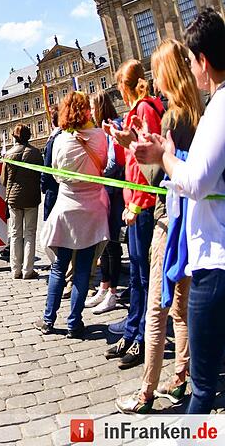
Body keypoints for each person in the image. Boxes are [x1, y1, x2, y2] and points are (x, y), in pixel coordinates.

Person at [133, 8, 225, 415]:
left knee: (203, 390)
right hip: (208, 249)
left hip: (214, 256)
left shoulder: (215, 110)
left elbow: (196, 181)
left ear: (202, 62)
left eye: (191, 60)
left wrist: (162, 158)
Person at [116, 39, 201, 414]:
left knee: (156, 307)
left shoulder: (170, 117)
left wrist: (133, 145)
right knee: (181, 308)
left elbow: (159, 172)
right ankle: (183, 377)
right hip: (196, 220)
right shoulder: (204, 109)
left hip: (171, 219)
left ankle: (146, 392)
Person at [103, 60, 164, 368]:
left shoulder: (145, 110)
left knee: (142, 277)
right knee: (139, 277)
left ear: (125, 87)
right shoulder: (139, 109)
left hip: (142, 206)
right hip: (136, 204)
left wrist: (136, 204)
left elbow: (147, 164)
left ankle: (141, 338)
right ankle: (132, 330)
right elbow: (133, 154)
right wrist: (118, 137)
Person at [36, 91, 109, 339]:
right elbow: (104, 168)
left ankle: (48, 320)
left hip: (67, 207)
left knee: (59, 267)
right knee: (82, 270)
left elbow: (55, 175)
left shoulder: (60, 140)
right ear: (87, 110)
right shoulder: (101, 136)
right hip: (92, 211)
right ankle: (74, 323)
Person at [86, 93, 125, 315]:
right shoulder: (104, 127)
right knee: (106, 243)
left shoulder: (113, 126)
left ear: (100, 107)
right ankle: (104, 287)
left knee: (112, 243)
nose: (90, 112)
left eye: (92, 107)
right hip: (106, 191)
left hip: (114, 192)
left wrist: (96, 173)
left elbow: (114, 162)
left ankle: (112, 292)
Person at [2, 124, 43, 279]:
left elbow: (4, 179)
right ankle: (27, 270)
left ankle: (15, 270)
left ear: (14, 137)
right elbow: (41, 175)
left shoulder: (8, 154)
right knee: (30, 233)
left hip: (14, 198)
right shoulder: (36, 153)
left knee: (15, 234)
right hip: (32, 197)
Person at [41, 106, 61, 220]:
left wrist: (43, 187)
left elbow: (46, 167)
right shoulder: (71, 135)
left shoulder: (52, 139)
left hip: (53, 189)